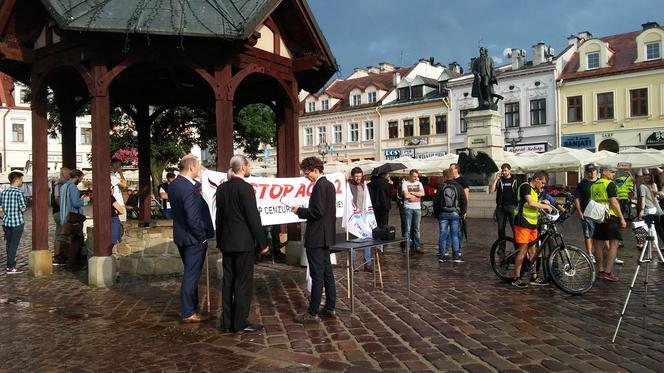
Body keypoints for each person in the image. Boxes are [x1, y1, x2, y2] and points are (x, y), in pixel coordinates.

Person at [216, 155, 269, 334]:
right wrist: (263, 242)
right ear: (244, 167)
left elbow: (219, 218)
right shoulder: (245, 188)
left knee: (228, 282)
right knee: (242, 283)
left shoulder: (222, 188)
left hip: (227, 242)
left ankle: (228, 321)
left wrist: (220, 239)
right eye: (249, 166)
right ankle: (240, 323)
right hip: (243, 243)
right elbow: (253, 217)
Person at [169, 156, 214, 323]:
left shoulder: (174, 185)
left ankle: (192, 307)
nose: (199, 170)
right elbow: (192, 217)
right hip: (193, 237)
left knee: (191, 272)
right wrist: (201, 237)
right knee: (191, 275)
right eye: (198, 167)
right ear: (191, 167)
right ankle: (188, 311)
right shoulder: (187, 188)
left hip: (182, 235)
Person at [292, 157, 337, 323]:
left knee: (317, 275)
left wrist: (299, 211)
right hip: (326, 236)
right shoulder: (330, 185)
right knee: (327, 273)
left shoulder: (319, 186)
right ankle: (330, 306)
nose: (306, 176)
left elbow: (317, 212)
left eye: (307, 172)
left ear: (316, 170)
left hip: (317, 237)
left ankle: (312, 312)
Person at [512, 171, 553, 289]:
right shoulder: (525, 187)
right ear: (537, 180)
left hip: (533, 223)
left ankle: (534, 277)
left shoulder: (535, 191)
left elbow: (534, 203)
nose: (543, 186)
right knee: (523, 250)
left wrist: (542, 202)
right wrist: (546, 206)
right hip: (522, 222)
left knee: (533, 252)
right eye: (543, 183)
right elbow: (530, 203)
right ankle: (516, 278)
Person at [591, 165, 627, 282]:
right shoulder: (609, 184)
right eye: (612, 172)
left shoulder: (594, 184)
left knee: (598, 245)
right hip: (610, 216)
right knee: (614, 243)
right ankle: (608, 271)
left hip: (598, 217)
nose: (613, 174)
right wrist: (622, 218)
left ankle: (600, 271)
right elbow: (613, 202)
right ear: (605, 172)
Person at [59, 169, 90, 269]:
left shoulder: (64, 186)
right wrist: (86, 200)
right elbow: (76, 203)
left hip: (65, 215)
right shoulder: (73, 187)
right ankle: (72, 263)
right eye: (80, 179)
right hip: (73, 217)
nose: (81, 181)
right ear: (76, 177)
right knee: (77, 240)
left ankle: (72, 261)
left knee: (73, 240)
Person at [435, 169, 467, 263]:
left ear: (444, 176)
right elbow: (463, 200)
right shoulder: (458, 186)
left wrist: (437, 214)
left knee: (443, 234)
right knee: (455, 235)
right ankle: (456, 256)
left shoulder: (441, 186)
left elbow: (436, 202)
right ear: (453, 176)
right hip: (454, 213)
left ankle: (442, 255)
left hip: (443, 213)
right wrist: (462, 212)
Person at [0, 171, 27, 274]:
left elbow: (1, 208)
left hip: (6, 222)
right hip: (17, 222)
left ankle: (9, 265)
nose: (22, 181)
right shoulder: (19, 192)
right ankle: (11, 266)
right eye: (21, 179)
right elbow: (23, 208)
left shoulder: (4, 192)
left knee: (9, 244)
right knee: (13, 245)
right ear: (17, 180)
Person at [348, 167, 373, 272]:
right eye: (356, 176)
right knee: (353, 241)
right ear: (352, 176)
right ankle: (353, 264)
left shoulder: (364, 185)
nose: (358, 178)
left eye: (360, 176)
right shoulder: (348, 185)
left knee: (367, 239)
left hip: (363, 216)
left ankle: (368, 264)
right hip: (353, 217)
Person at [575, 164, 599, 262]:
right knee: (588, 234)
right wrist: (579, 212)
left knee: (603, 235)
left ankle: (607, 253)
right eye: (589, 171)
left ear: (596, 171)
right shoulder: (582, 184)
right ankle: (589, 254)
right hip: (586, 213)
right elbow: (577, 199)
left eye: (593, 171)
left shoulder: (601, 182)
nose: (592, 173)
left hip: (599, 213)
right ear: (586, 173)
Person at [490, 163, 518, 241]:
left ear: (510, 170)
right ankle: (501, 248)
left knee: (515, 228)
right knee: (501, 229)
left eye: (505, 170)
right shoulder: (500, 180)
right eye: (503, 170)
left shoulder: (515, 179)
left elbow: (521, 191)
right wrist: (496, 179)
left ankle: (517, 247)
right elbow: (492, 190)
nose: (504, 172)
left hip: (512, 206)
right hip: (500, 208)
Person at [636, 169, 664, 244]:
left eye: (647, 175)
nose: (646, 176)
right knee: (654, 227)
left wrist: (641, 210)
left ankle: (643, 242)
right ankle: (654, 244)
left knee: (641, 225)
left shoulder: (642, 186)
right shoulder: (653, 184)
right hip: (656, 209)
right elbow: (658, 196)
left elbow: (643, 199)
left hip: (648, 209)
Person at [402, 169, 425, 254]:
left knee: (416, 228)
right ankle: (407, 246)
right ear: (410, 175)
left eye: (417, 176)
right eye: (414, 176)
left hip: (417, 208)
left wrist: (411, 193)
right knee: (407, 228)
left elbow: (423, 194)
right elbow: (406, 195)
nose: (416, 178)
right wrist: (416, 193)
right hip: (408, 208)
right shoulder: (405, 183)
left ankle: (417, 246)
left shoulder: (419, 183)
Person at [52, 167, 70, 265]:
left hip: (61, 212)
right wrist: (63, 209)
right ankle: (57, 256)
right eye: (69, 174)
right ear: (63, 174)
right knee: (59, 234)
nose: (70, 175)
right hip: (59, 212)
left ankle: (62, 254)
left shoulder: (64, 184)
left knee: (63, 233)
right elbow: (57, 198)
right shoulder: (59, 184)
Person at [449, 163, 470, 250]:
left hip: (459, 208)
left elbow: (466, 195)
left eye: (451, 169)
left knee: (459, 229)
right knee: (449, 229)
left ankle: (459, 248)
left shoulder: (462, 180)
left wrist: (465, 210)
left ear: (456, 169)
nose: (450, 170)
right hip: (450, 208)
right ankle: (451, 247)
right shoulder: (449, 180)